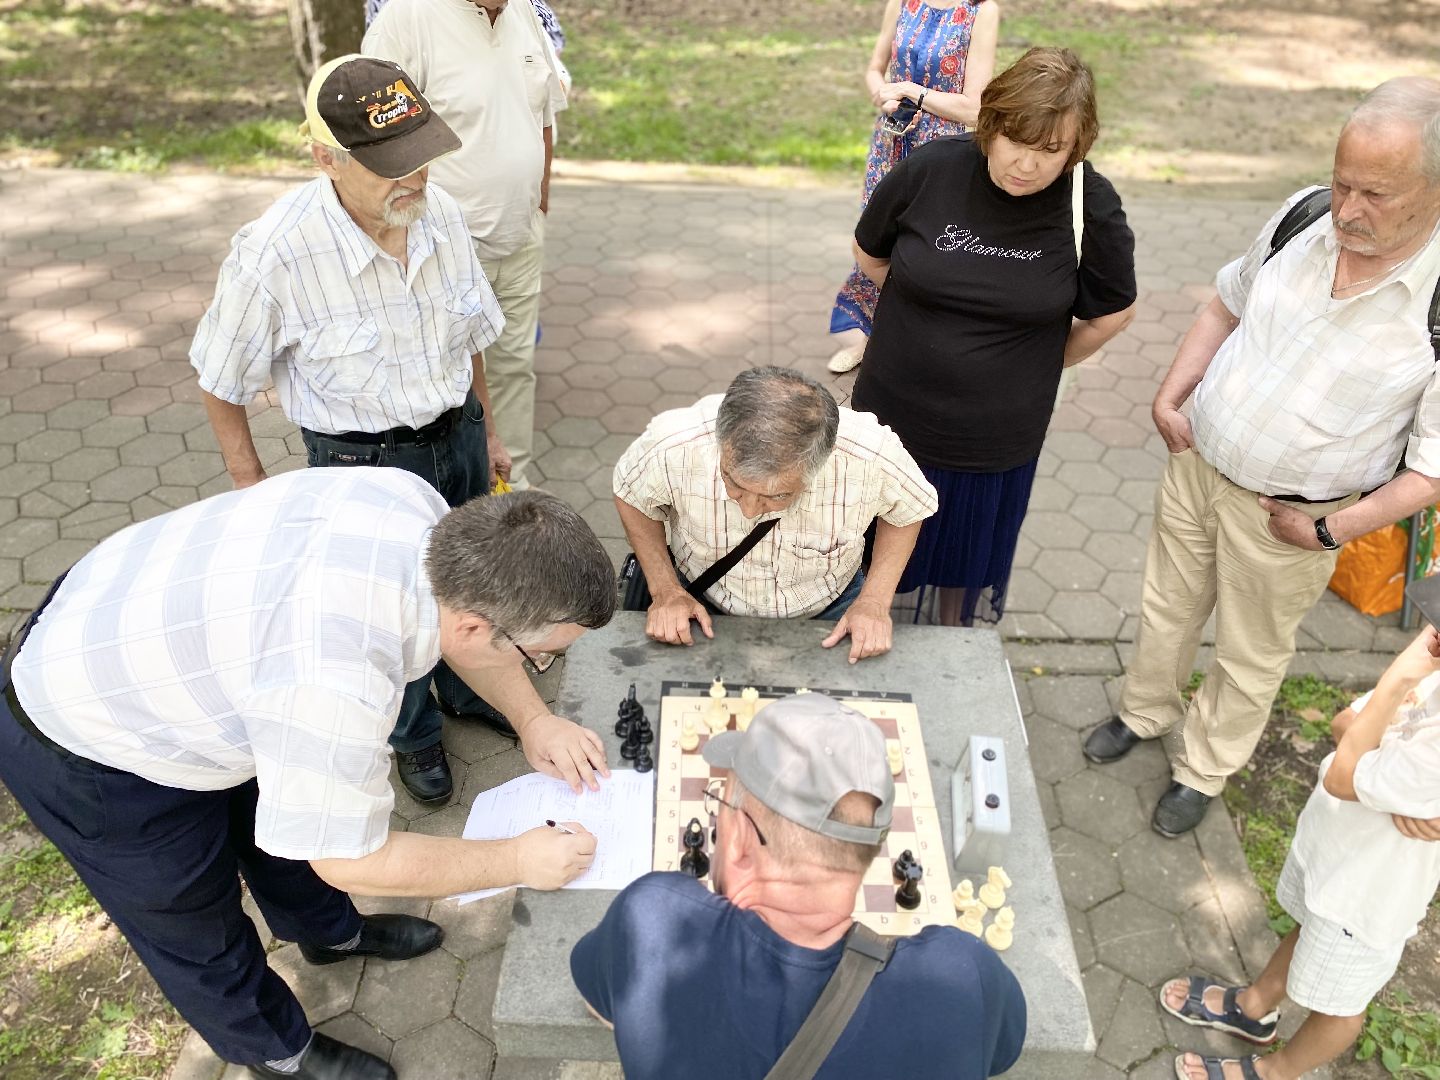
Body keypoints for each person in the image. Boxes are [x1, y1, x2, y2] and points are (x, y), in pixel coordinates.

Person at [0, 468, 614, 1080]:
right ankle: (274, 1049)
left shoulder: (418, 507)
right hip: (90, 736)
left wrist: (534, 720)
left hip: (183, 645)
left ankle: (328, 935)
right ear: (477, 627)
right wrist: (516, 861)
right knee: (195, 924)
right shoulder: (333, 682)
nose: (541, 666)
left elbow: (467, 637)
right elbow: (349, 859)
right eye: (543, 656)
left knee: (289, 816)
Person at [1083, 76, 1440, 838]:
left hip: (1294, 521)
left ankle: (1202, 769)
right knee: (1165, 610)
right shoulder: (1305, 214)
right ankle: (1144, 713)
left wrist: (1327, 533)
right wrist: (1170, 395)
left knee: (1248, 654)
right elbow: (1226, 303)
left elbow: (1432, 471)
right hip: (1196, 466)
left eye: (1376, 194)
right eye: (1344, 182)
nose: (1348, 209)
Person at [190, 54, 512, 804]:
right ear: (325, 159)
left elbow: (469, 338)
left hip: (456, 434)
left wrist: (487, 430)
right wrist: (250, 489)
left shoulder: (444, 216)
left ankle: (463, 690)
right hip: (360, 460)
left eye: (422, 157)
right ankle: (413, 733)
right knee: (381, 608)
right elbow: (218, 376)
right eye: (391, 167)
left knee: (467, 586)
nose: (416, 179)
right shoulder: (275, 251)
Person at [570, 692, 1027, 1079]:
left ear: (742, 839)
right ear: (874, 850)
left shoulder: (653, 924)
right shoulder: (961, 981)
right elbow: (1004, 1048)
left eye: (722, 805)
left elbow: (602, 1004)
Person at [850, 47, 1137, 627]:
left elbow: (1112, 313)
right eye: (1015, 140)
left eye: (1050, 150)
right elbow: (870, 254)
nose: (1027, 164)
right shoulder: (933, 168)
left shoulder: (1091, 204)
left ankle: (951, 671)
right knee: (864, 572)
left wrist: (1036, 363)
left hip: (991, 445)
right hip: (889, 422)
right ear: (991, 125)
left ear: (1075, 150)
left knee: (959, 578)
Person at [1161, 627, 1440, 1080]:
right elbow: (1342, 724)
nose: (1429, 634)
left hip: (1371, 895)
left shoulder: (1422, 671)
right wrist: (1372, 756)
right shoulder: (1434, 666)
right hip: (1341, 853)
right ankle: (1255, 1008)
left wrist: (1397, 682)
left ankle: (1275, 1072)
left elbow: (1343, 773)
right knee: (1311, 922)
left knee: (1343, 1006)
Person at [365, 0, 568, 490]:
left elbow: (542, 113)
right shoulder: (408, 17)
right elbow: (375, 137)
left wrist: (539, 199)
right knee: (444, 381)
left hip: (519, 237)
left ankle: (511, 490)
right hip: (439, 246)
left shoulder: (524, 15)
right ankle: (452, 497)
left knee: (515, 368)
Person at [612, 366, 938, 662]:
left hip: (830, 609)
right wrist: (666, 591)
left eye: (777, 496)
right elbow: (631, 493)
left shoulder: (869, 454)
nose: (750, 510)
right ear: (721, 443)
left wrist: (874, 603)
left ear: (819, 465)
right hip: (701, 601)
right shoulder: (674, 443)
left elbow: (909, 509)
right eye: (734, 484)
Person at [828, 0, 1001, 374]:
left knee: (930, 247)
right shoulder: (903, 2)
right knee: (873, 239)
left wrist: (909, 89)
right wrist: (882, 93)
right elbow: (875, 70)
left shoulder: (982, 11)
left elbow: (975, 108)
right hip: (891, 142)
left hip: (944, 155)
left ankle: (923, 337)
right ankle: (868, 335)